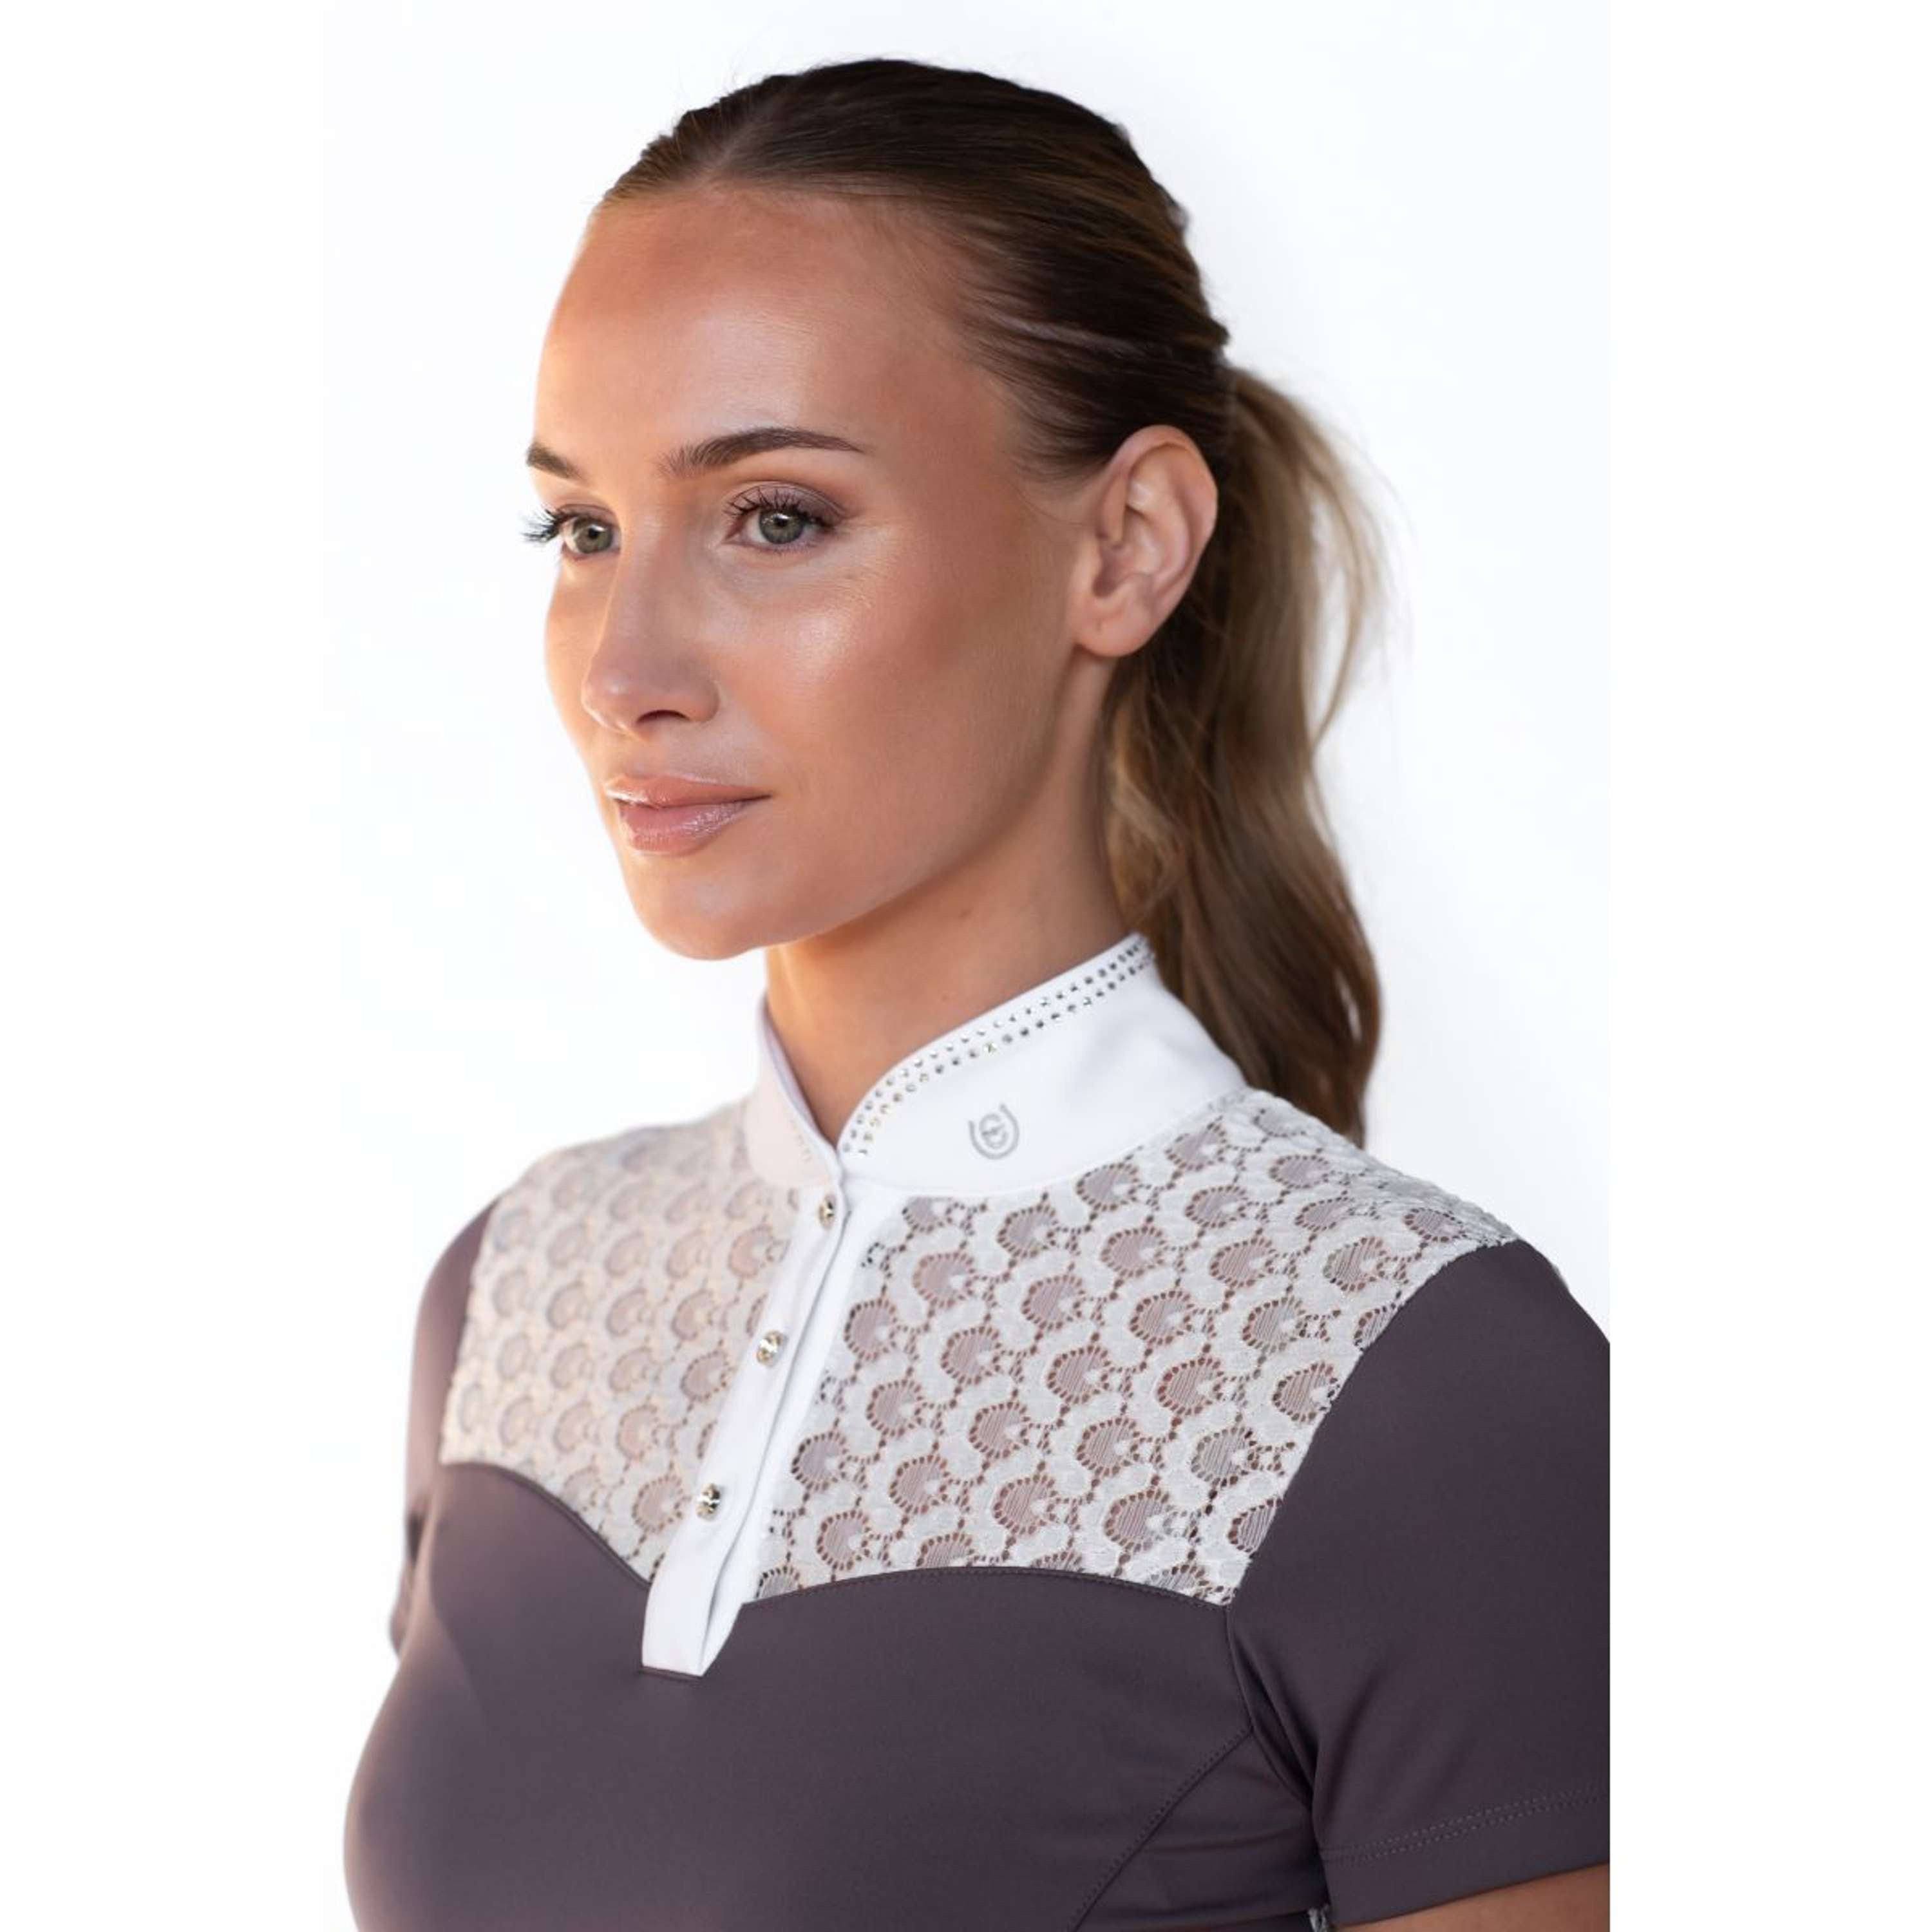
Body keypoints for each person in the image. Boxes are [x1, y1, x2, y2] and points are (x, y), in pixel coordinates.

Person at [343, 55, 1608, 1932]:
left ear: (1128, 546)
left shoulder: (1427, 1383)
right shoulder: (517, 1292)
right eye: (583, 530)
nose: (624, 668)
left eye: (775, 517)